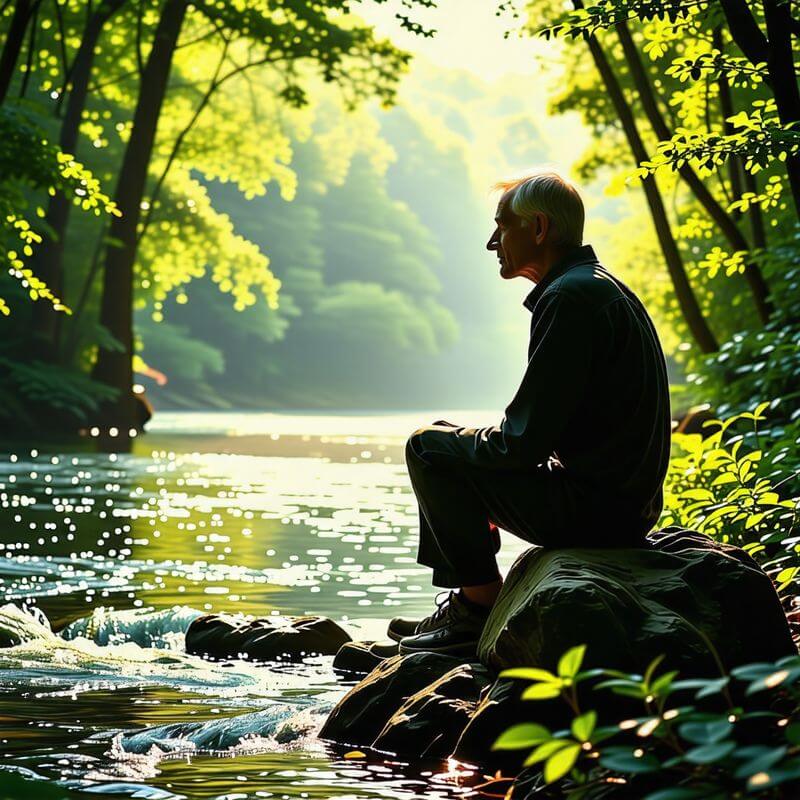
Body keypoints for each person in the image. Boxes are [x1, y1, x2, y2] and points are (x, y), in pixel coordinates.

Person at [390, 168, 671, 656]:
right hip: (627, 508)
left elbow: (522, 445)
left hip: (597, 513)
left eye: (502, 226)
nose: (492, 242)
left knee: (428, 448)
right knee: (445, 440)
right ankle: (472, 601)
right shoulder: (596, 287)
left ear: (539, 228)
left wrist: (451, 448)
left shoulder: (569, 298)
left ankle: (476, 609)